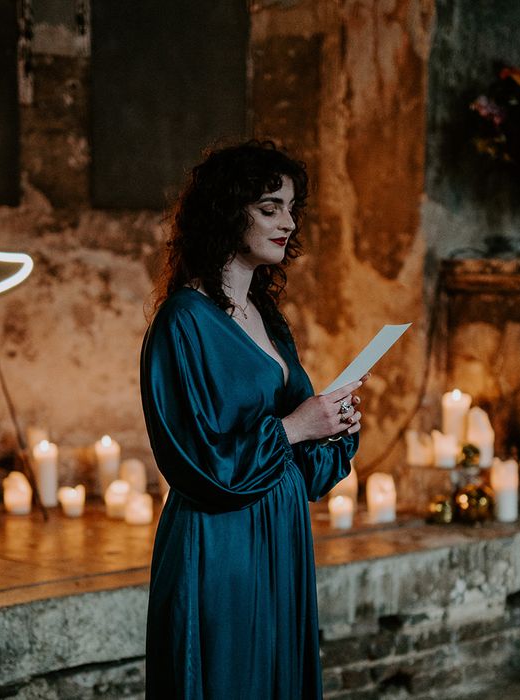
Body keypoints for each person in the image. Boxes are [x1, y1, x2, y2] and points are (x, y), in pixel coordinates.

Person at [140, 140, 367, 699]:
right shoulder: (182, 323)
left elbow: (308, 472)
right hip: (219, 543)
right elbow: (197, 465)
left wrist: (334, 427)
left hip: (282, 531)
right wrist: (295, 426)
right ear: (226, 213)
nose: (287, 222)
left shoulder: (269, 319)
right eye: (270, 208)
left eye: (291, 209)